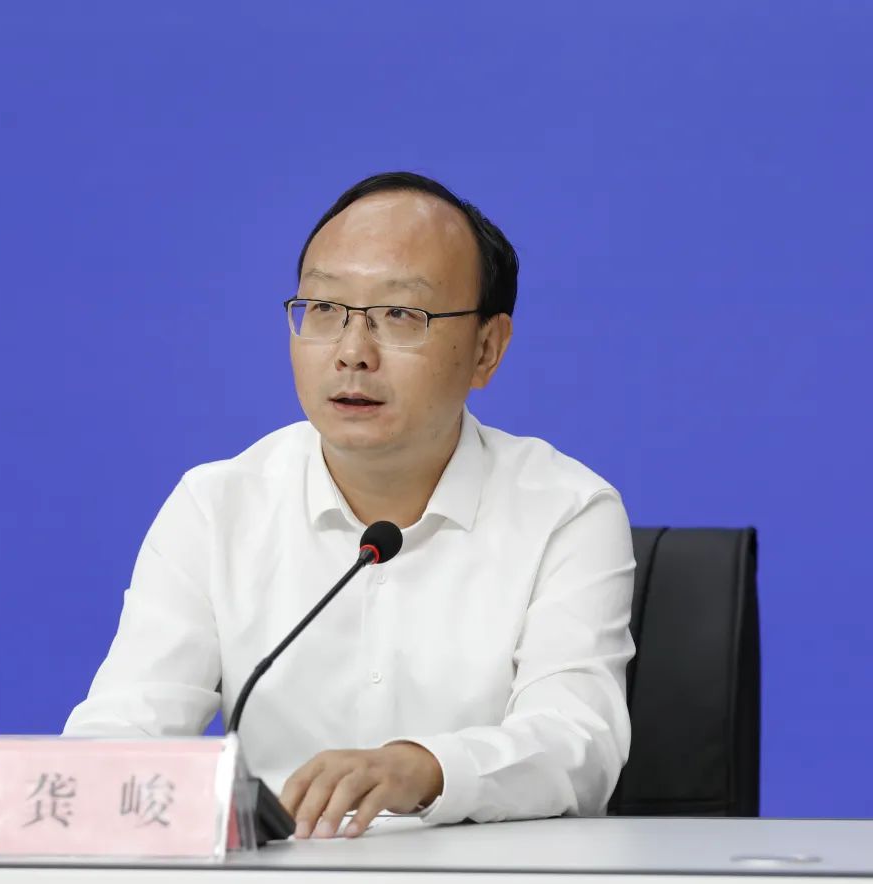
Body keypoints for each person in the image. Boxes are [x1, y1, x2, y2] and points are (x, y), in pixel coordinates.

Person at [64, 171, 636, 840]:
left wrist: (424, 768)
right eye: (325, 309)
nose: (352, 353)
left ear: (487, 348)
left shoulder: (565, 511)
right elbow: (124, 730)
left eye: (401, 315)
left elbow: (577, 742)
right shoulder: (217, 506)